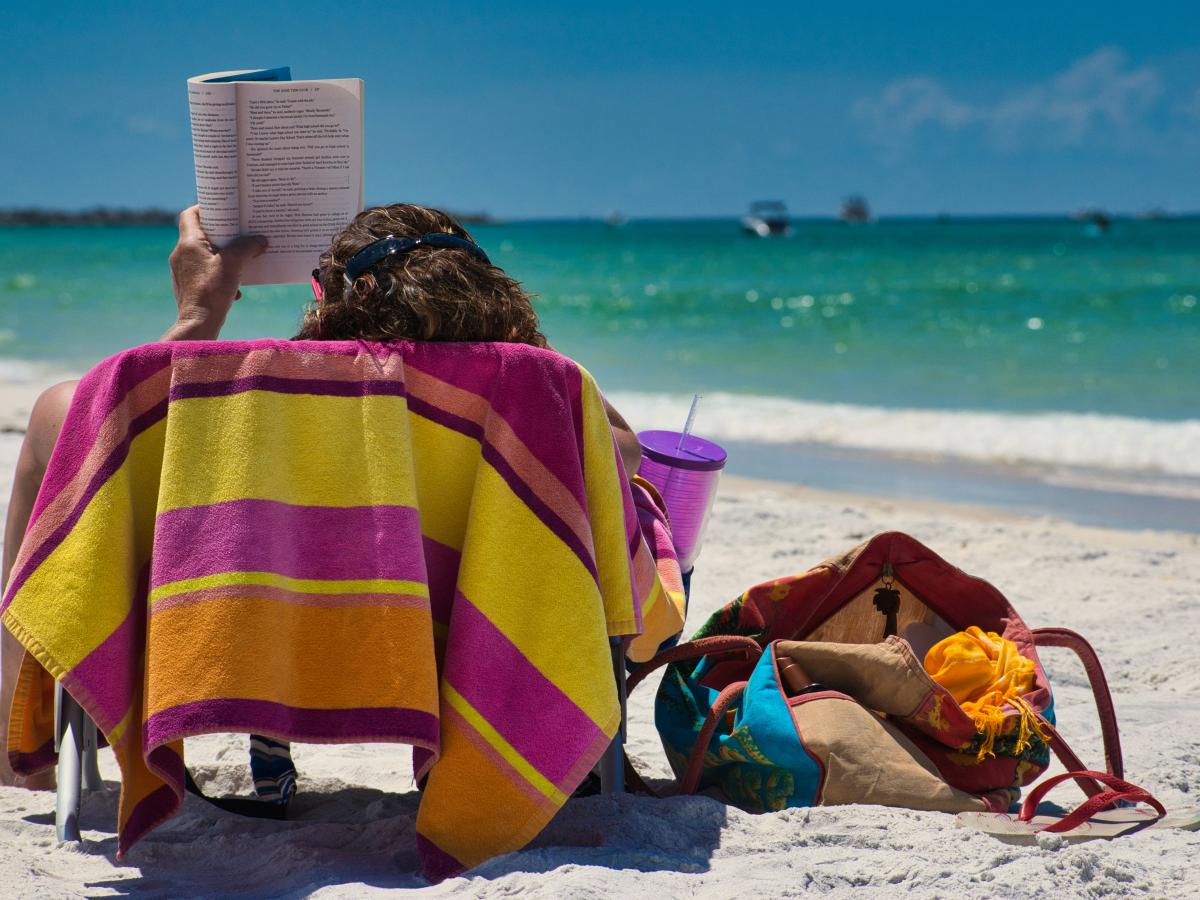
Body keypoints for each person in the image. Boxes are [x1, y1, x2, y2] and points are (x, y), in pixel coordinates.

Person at [0, 203, 646, 787]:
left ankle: (9, 742)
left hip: (245, 620)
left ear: (324, 296)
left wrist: (198, 316)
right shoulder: (538, 389)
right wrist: (526, 360)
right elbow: (622, 452)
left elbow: (105, 431)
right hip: (463, 616)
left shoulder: (272, 394)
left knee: (58, 415)